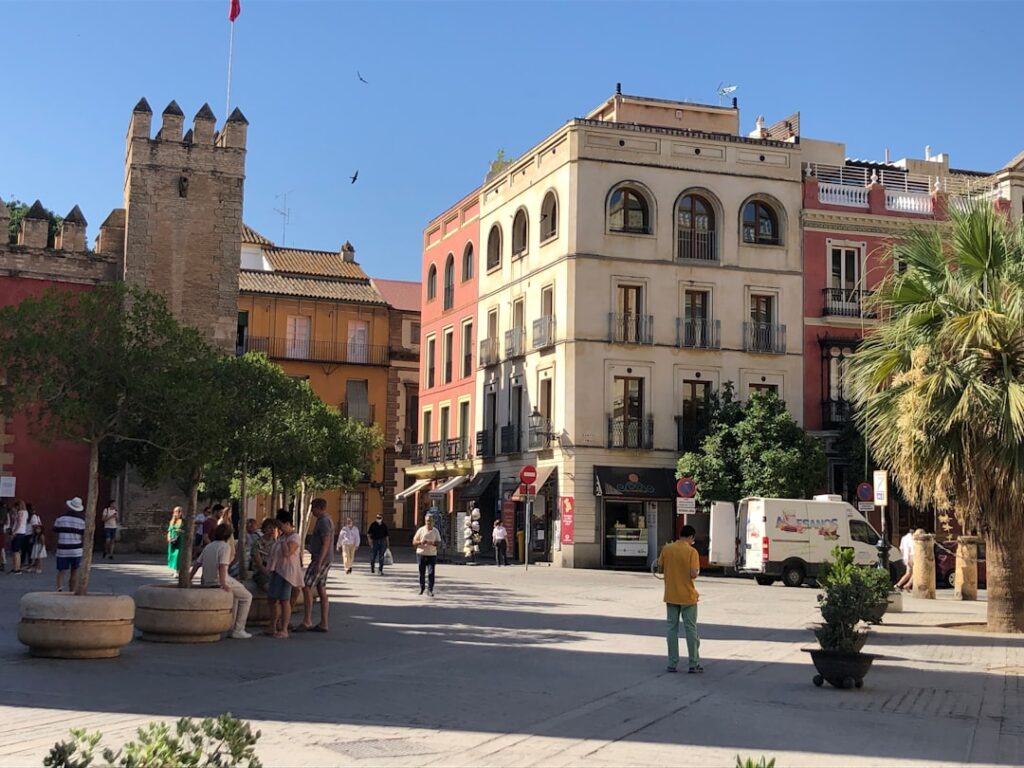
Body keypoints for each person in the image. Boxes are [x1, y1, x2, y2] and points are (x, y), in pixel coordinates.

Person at [189, 522, 252, 639]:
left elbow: (197, 564)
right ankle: (239, 628)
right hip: (219, 579)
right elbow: (222, 566)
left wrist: (189, 578)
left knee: (237, 597)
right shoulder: (225, 547)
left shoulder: (209, 546)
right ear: (228, 536)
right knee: (247, 597)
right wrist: (223, 583)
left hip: (207, 579)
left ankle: (232, 626)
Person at [657, 524, 702, 674]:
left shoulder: (667, 549)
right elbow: (693, 574)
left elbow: (659, 568)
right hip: (688, 597)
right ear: (691, 537)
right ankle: (693, 663)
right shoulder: (692, 551)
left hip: (671, 595)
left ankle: (672, 663)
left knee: (671, 629)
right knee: (690, 629)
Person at [296, 498, 333, 633]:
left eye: (313, 508)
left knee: (306, 586)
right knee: (321, 588)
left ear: (318, 508)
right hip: (324, 559)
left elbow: (326, 542)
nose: (311, 511)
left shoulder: (323, 522)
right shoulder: (326, 519)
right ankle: (324, 622)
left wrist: (319, 562)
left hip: (320, 559)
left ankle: (307, 620)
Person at [267, 511, 302, 638]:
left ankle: (284, 628)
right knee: (272, 599)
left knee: (284, 600)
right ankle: (273, 625)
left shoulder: (294, 537)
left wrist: (282, 541)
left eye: (281, 525)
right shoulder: (282, 537)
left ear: (287, 523)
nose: (279, 528)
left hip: (287, 572)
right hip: (277, 570)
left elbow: (287, 553)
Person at [53, 497, 86, 592]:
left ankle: (59, 588)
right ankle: (72, 591)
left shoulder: (60, 518)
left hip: (62, 548)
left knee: (61, 570)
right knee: (74, 571)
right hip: (76, 549)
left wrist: (54, 547)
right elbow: (83, 536)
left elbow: (55, 533)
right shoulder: (82, 520)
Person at [412, 513, 443, 597]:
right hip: (421, 554)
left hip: (432, 554)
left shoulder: (435, 531)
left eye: (430, 521)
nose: (429, 522)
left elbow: (439, 543)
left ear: (433, 521)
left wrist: (432, 543)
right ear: (425, 521)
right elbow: (414, 542)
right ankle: (422, 588)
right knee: (421, 573)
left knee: (431, 572)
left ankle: (430, 590)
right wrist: (420, 542)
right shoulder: (421, 530)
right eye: (427, 521)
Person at [250, 519, 278, 592]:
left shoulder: (277, 543)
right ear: (264, 529)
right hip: (261, 573)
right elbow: (259, 565)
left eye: (274, 528)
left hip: (275, 571)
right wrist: (269, 575)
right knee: (270, 588)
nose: (272, 530)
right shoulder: (258, 543)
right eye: (270, 527)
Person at [9, 500, 29, 574]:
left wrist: (13, 532)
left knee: (15, 551)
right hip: (22, 532)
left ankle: (17, 569)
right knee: (17, 551)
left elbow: (18, 523)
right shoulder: (26, 512)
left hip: (18, 532)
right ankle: (16, 567)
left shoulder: (20, 512)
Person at [895, 527, 915, 592]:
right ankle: (908, 585)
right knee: (916, 572)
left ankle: (898, 585)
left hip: (906, 557)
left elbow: (901, 548)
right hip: (912, 556)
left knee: (908, 573)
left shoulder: (904, 538)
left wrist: (904, 557)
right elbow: (912, 548)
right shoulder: (913, 539)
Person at [27, 505, 45, 573]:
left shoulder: (41, 536)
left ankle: (39, 568)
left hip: (39, 547)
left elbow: (43, 543)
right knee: (35, 557)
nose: (37, 530)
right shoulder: (35, 535)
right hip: (36, 546)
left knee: (39, 558)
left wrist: (41, 549)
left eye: (38, 529)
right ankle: (34, 566)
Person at [167, 507, 184, 574]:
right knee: (172, 555)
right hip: (172, 539)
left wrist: (179, 532)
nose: (177, 513)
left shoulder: (183, 521)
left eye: (179, 511)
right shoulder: (172, 521)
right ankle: (174, 569)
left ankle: (178, 571)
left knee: (178, 555)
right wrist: (168, 537)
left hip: (179, 540)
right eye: (176, 511)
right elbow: (169, 530)